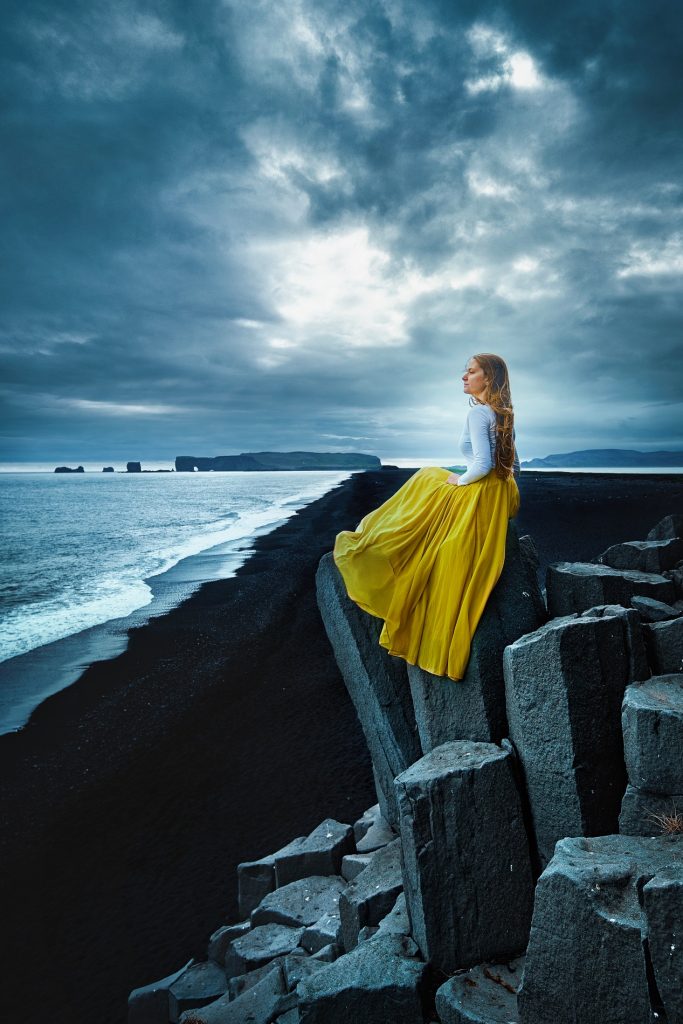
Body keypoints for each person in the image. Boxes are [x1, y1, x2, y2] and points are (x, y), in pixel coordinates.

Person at [333, 353, 520, 681]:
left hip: (481, 490)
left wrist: (459, 481)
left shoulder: (478, 415)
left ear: (487, 379)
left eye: (471, 372)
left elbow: (482, 465)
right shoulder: (503, 414)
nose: (463, 377)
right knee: (431, 476)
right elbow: (510, 467)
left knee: (427, 477)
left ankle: (376, 537)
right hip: (500, 493)